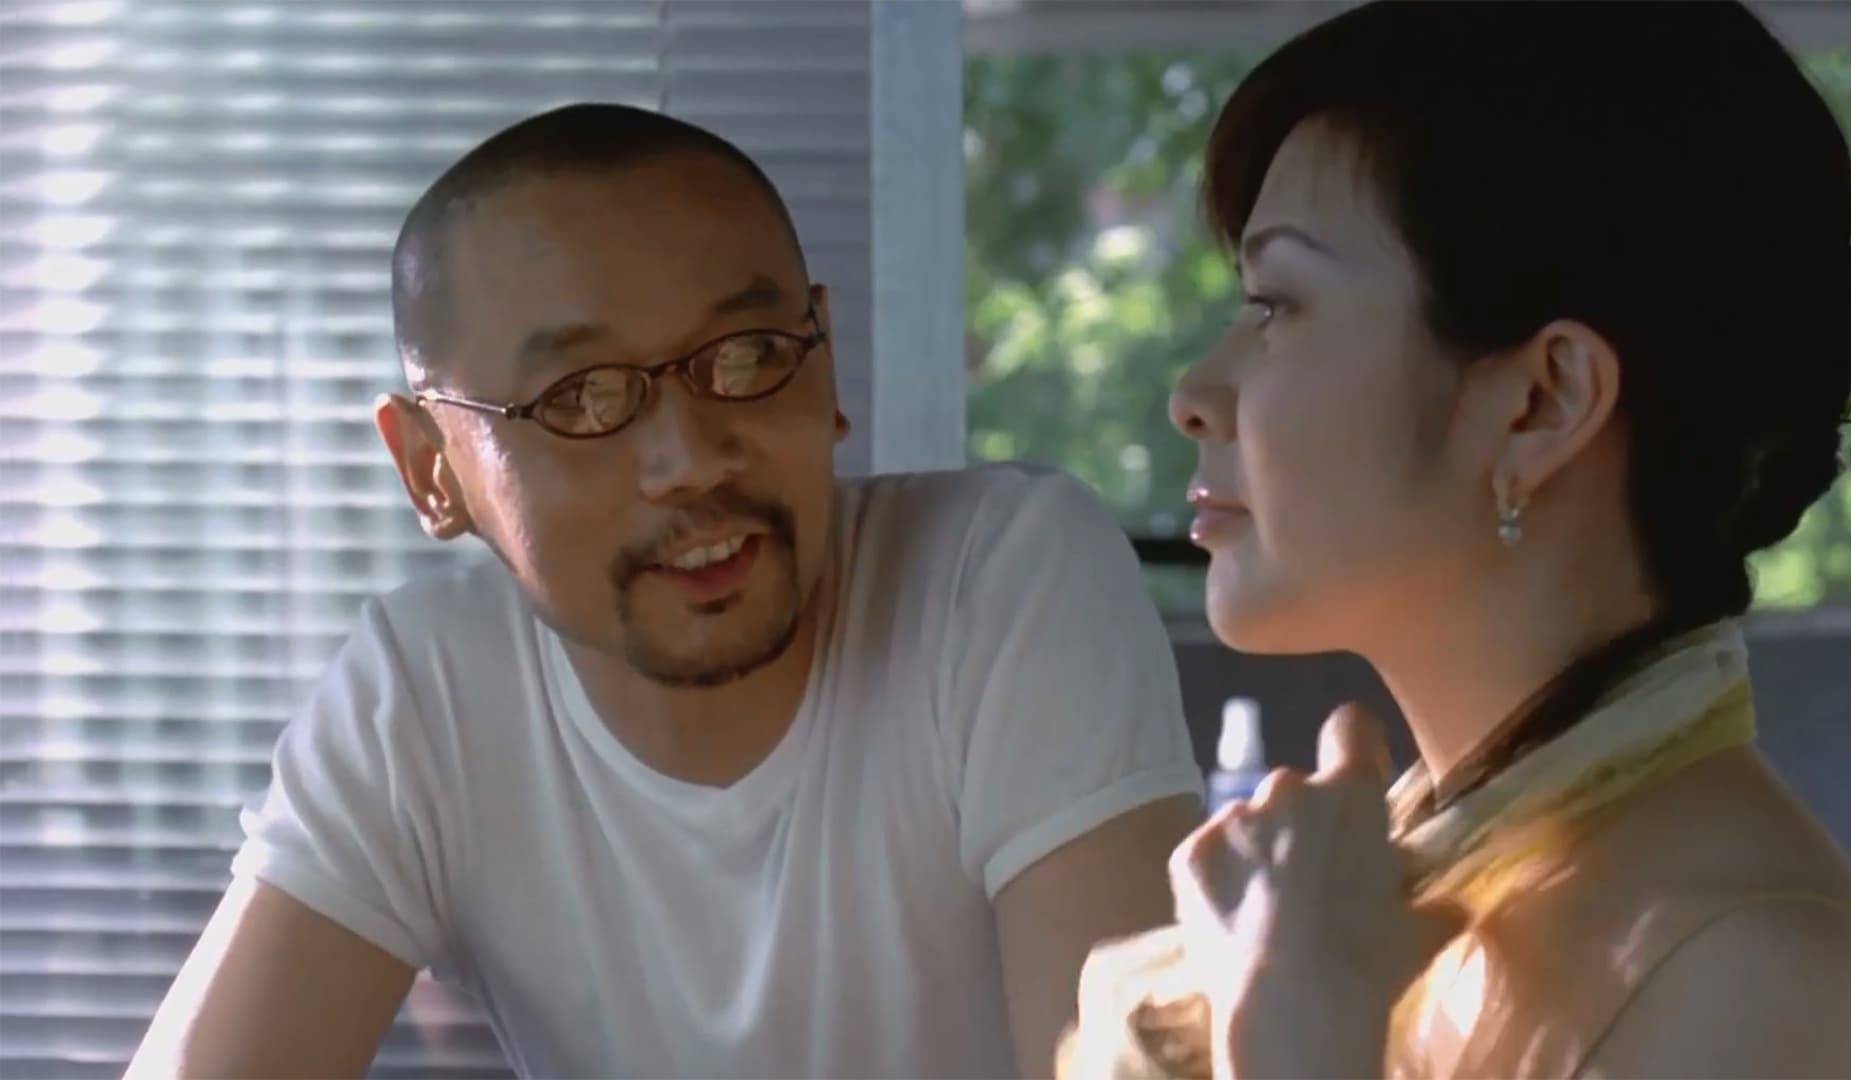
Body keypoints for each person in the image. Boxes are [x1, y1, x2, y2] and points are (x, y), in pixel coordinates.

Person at [129, 103, 1205, 1079]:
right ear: (431, 471)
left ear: (825, 362)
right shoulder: (423, 700)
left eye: (745, 357)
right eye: (582, 398)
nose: (689, 459)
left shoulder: (1001, 580)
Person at [1063, 2, 1851, 1077]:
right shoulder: (1383, 896)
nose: (1195, 393)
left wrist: (1294, 1030)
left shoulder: (1766, 979)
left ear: (1542, 402)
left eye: (1277, 305)